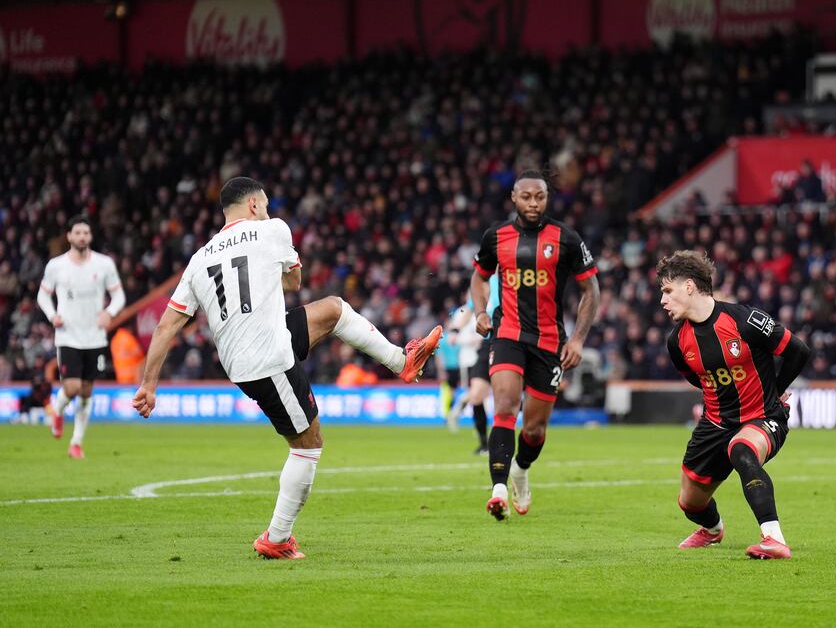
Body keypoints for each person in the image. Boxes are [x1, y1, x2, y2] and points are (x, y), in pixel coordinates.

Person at [131, 177, 442, 560]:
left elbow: (167, 326)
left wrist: (149, 384)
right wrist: (276, 268)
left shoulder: (200, 258)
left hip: (249, 351)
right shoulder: (272, 230)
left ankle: (401, 360)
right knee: (308, 445)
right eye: (264, 204)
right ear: (253, 205)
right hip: (267, 359)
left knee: (333, 309)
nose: (267, 209)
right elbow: (294, 281)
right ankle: (276, 538)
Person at [657, 250, 810, 560]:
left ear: (689, 286)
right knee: (690, 502)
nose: (663, 300)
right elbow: (697, 378)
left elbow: (798, 351)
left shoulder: (745, 320)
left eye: (667, 290)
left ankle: (774, 539)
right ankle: (713, 530)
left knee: (742, 449)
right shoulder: (677, 342)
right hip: (714, 424)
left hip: (763, 416)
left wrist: (774, 392)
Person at [471, 168, 599, 520]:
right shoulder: (495, 237)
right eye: (526, 196)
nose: (533, 202)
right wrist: (481, 312)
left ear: (547, 198)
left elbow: (592, 290)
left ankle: (521, 471)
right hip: (508, 332)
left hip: (549, 341)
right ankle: (498, 490)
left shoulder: (566, 238)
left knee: (534, 428)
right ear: (513, 197)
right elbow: (479, 277)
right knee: (506, 405)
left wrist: (577, 338)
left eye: (539, 196)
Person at [37, 215, 125, 458]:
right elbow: (42, 296)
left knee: (86, 391)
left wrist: (110, 312)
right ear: (69, 236)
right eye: (77, 232)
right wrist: (52, 315)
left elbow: (119, 296)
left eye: (86, 232)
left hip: (95, 337)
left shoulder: (104, 264)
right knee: (72, 386)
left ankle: (76, 443)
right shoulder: (56, 266)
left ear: (91, 236)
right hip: (67, 335)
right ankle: (57, 410)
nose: (82, 236)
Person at [445, 275, 501, 455]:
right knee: (476, 395)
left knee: (505, 398)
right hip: (488, 342)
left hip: (509, 341)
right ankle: (484, 444)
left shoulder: (511, 279)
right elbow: (469, 309)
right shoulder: (486, 280)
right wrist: (455, 330)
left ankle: (504, 442)